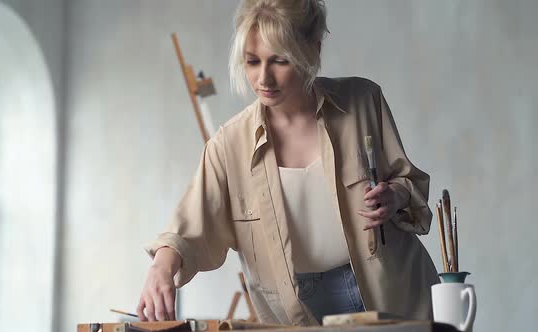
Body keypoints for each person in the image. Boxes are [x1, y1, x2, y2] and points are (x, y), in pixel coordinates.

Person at [137, 0, 438, 326]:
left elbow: (411, 185)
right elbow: (189, 229)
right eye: (252, 62)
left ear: (312, 49)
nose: (263, 78)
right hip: (295, 309)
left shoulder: (363, 102)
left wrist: (395, 195)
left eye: (279, 60)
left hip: (389, 292)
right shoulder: (228, 146)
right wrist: (160, 269)